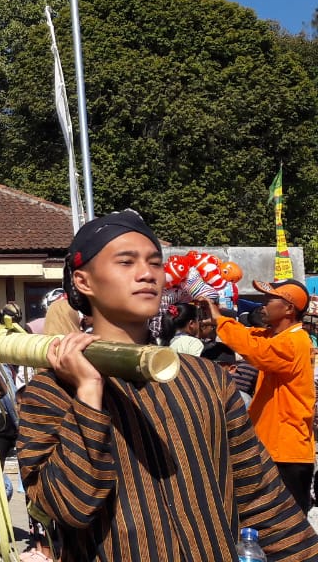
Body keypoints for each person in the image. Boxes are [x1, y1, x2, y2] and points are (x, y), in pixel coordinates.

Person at [18, 210, 318, 561]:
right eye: (126, 262)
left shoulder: (206, 380)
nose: (147, 274)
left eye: (155, 263)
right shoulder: (50, 392)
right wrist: (87, 394)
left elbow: (261, 496)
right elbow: (67, 507)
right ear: (83, 282)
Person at [213, 277, 316, 510]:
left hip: (286, 452)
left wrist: (220, 320)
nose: (264, 304)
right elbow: (252, 338)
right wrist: (220, 315)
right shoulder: (278, 338)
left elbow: (253, 349)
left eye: (271, 299)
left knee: (289, 530)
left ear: (289, 308)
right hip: (274, 447)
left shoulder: (294, 342)